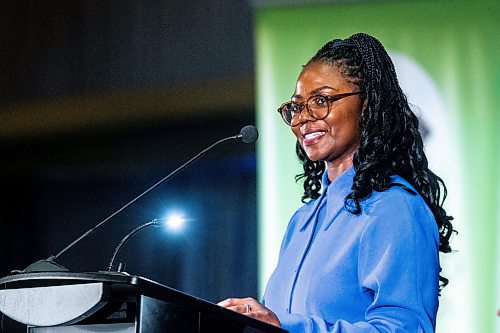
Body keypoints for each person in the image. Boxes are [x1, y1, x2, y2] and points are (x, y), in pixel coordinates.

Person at [218, 32, 455, 333]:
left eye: (321, 100)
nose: (303, 118)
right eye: (296, 106)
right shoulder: (301, 222)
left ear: (368, 104)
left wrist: (289, 326)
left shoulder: (395, 209)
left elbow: (406, 329)